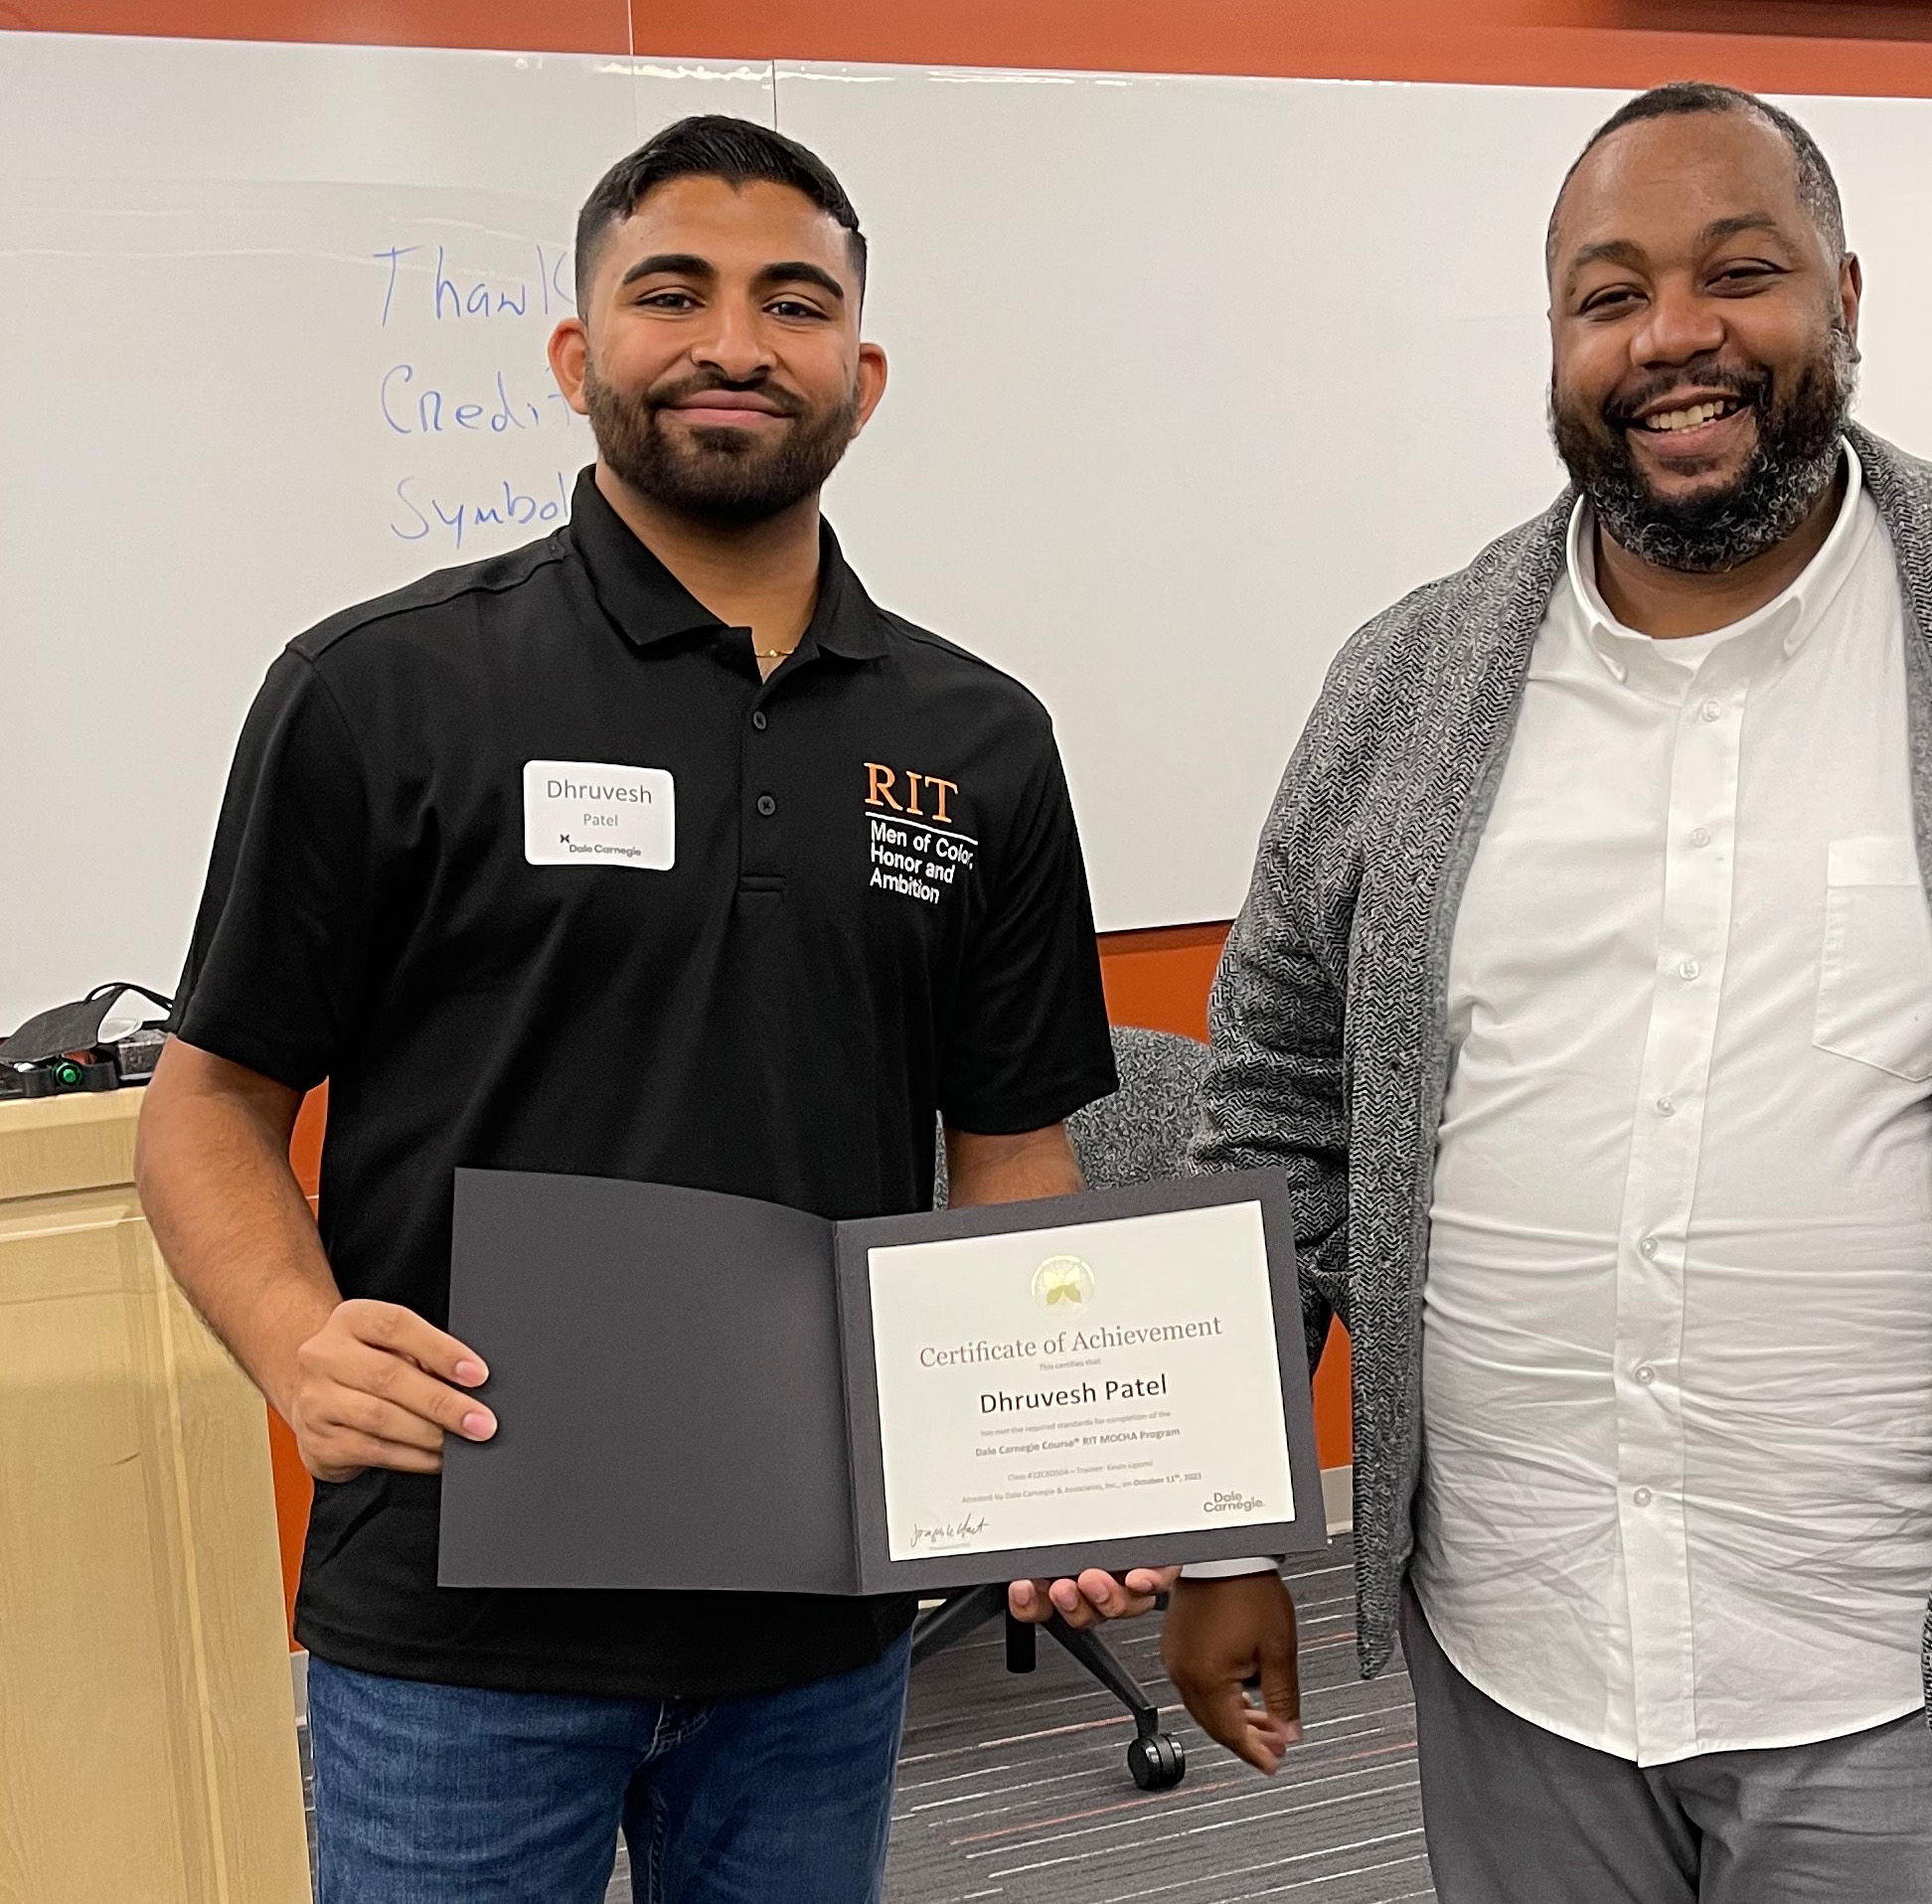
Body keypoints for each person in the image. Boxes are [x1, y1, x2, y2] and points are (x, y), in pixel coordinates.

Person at [1156, 82, 1932, 1901]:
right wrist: (1216, 1510)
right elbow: (1279, 1104)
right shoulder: (1401, 684)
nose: (1675, 337)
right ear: (1557, 340)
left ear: (1847, 298)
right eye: (1608, 293)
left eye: (1743, 272)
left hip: (1913, 1664)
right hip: (1516, 1635)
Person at [134, 115, 1166, 1904]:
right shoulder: (381, 690)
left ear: (864, 370)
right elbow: (208, 1102)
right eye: (668, 292)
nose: (733, 343)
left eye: (795, 301)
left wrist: (1042, 1452)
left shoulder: (978, 740)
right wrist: (295, 1339)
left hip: (818, 1626)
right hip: (455, 1614)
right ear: (575, 351)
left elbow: (1010, 1144)